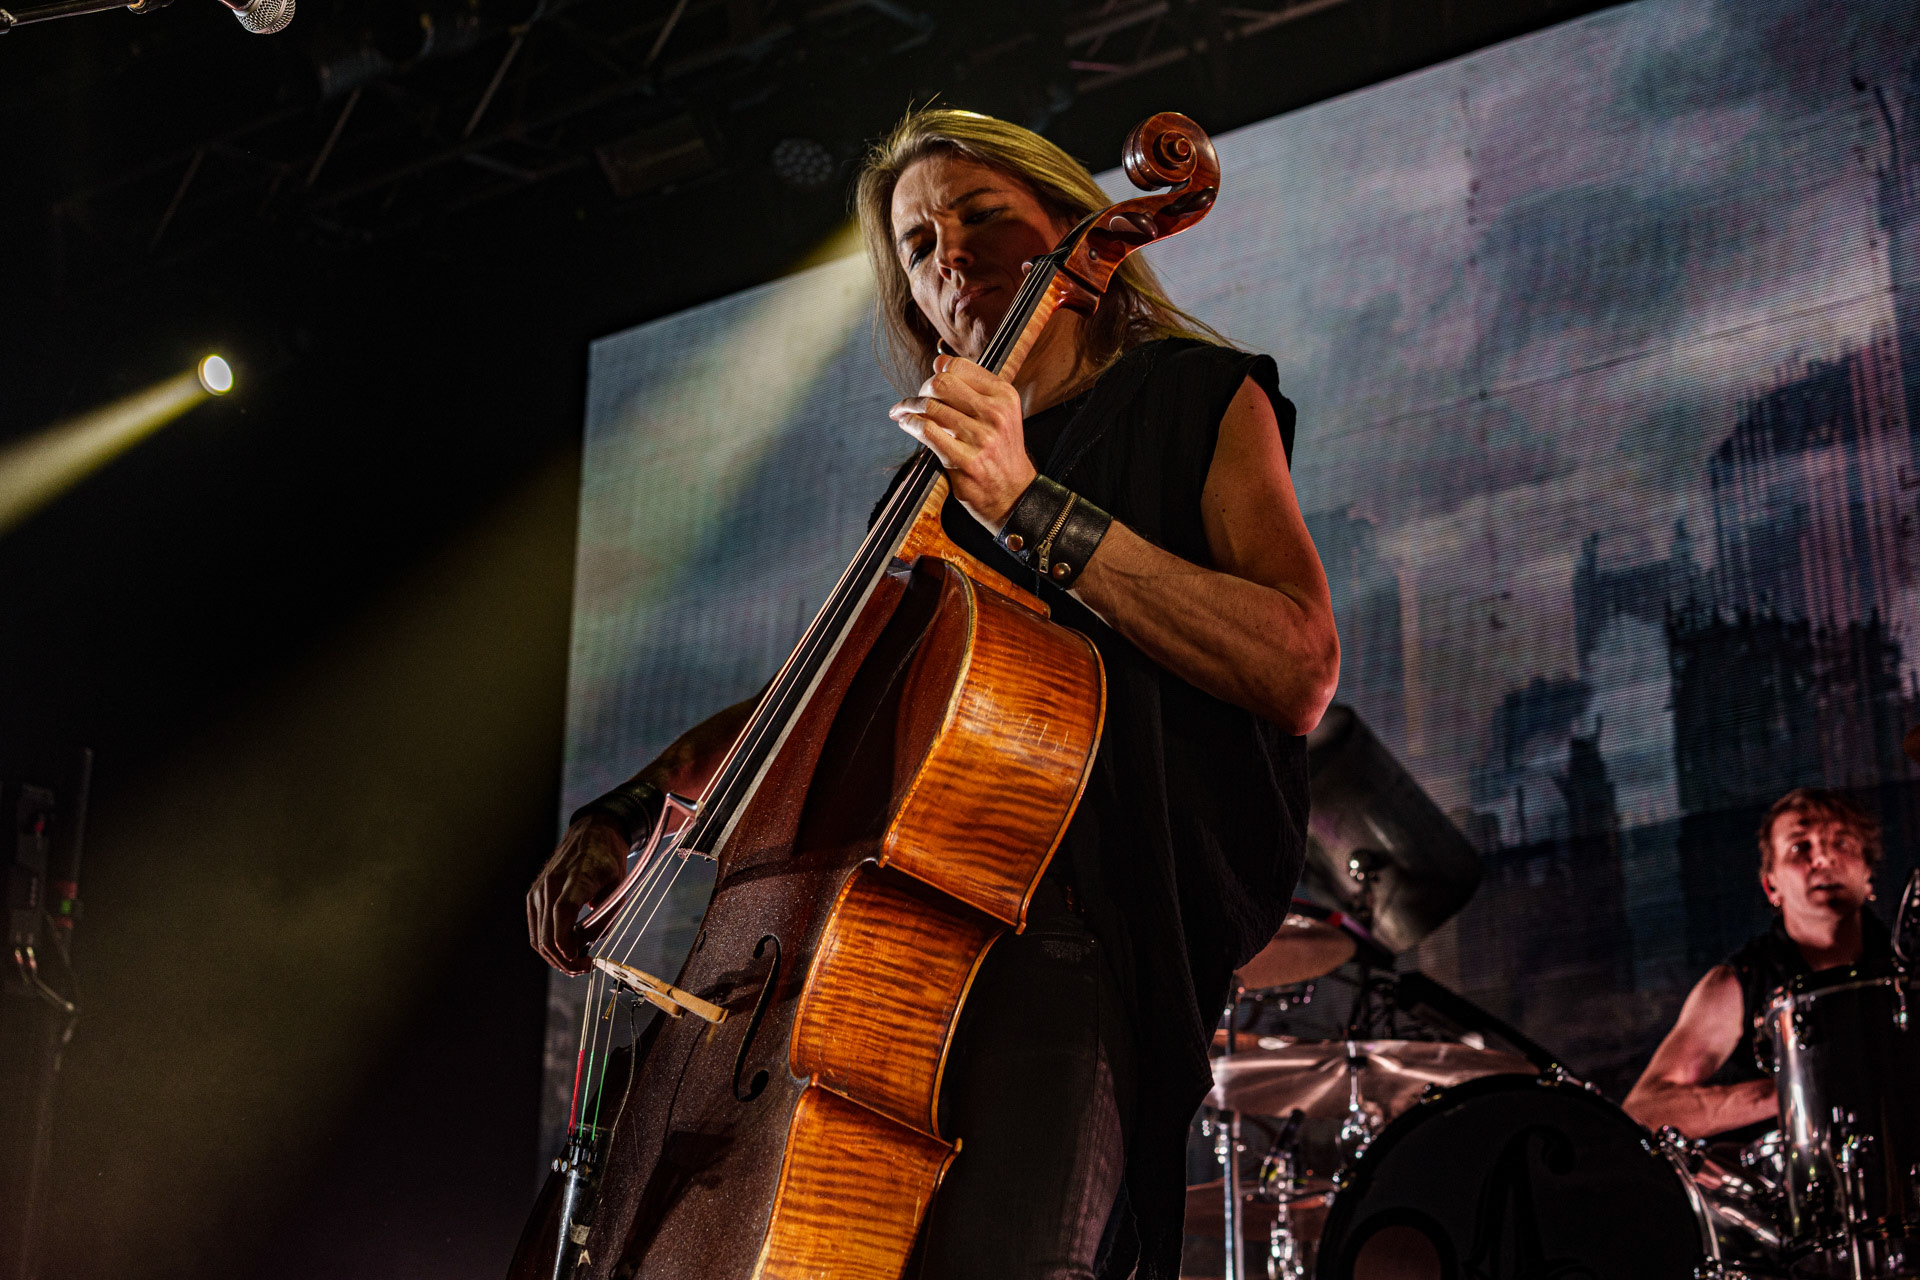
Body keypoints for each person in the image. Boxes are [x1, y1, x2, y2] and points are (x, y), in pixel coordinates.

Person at [526, 107, 1340, 1280]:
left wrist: (1027, 503)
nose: (949, 256)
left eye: (981, 217)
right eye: (916, 246)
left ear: (1068, 228)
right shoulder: (919, 497)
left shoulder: (1198, 398)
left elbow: (1298, 663)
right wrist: (628, 807)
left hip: (1077, 950)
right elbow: (809, 700)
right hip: (882, 958)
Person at [1623, 787, 1892, 1141]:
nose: (1824, 859)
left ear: (1868, 874)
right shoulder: (1736, 985)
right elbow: (1644, 1111)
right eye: (1800, 847)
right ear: (1771, 887)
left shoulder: (1907, 966)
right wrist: (1797, 1087)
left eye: (1841, 843)